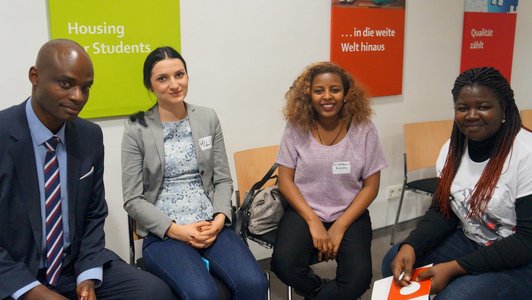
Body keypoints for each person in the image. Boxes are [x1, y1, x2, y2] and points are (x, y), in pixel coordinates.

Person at [0, 39, 174, 300]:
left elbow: (94, 214)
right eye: (66, 84)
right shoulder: (3, 134)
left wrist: (87, 277)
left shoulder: (89, 136)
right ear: (35, 77)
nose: (78, 97)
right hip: (17, 273)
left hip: (74, 267)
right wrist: (31, 291)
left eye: (86, 87)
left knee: (155, 293)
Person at [121, 46, 267, 300]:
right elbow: (133, 200)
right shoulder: (137, 128)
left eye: (180, 74)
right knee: (202, 294)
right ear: (150, 85)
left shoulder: (207, 118)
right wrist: (177, 230)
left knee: (254, 283)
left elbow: (222, 179)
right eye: (162, 78)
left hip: (212, 225)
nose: (174, 84)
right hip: (165, 234)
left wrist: (220, 219)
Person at [382, 67, 532, 299]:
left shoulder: (526, 154)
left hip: (521, 257)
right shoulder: (452, 149)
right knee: (393, 260)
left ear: (504, 109)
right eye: (463, 108)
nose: (471, 115)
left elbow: (526, 240)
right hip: (472, 239)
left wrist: (454, 268)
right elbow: (443, 211)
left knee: (453, 297)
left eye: (483, 106)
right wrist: (411, 244)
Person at [271, 62, 388, 299]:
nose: (327, 97)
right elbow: (285, 180)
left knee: (359, 278)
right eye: (319, 91)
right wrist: (313, 221)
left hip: (349, 213)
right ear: (309, 95)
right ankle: (317, 289)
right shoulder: (296, 127)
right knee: (283, 264)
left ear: (346, 94)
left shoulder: (364, 129)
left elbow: (371, 186)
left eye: (334, 90)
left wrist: (340, 226)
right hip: (305, 210)